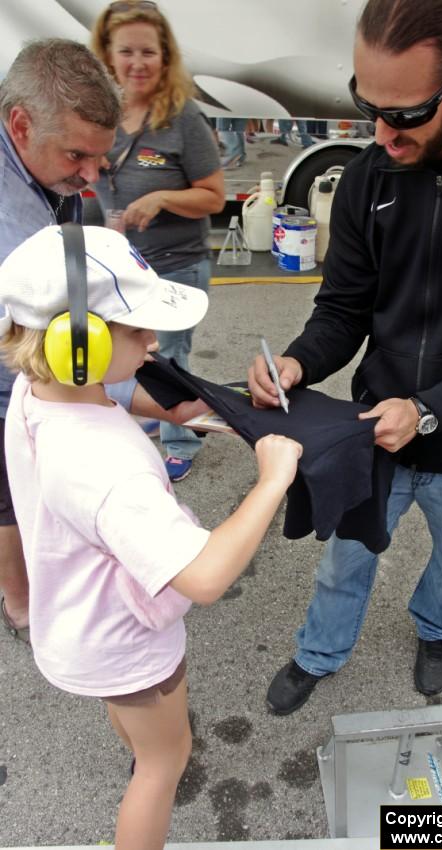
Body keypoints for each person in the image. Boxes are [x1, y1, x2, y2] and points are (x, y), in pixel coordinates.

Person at [248, 0, 442, 715]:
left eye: (406, 114)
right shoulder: (369, 177)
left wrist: (428, 410)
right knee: (343, 560)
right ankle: (319, 653)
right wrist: (297, 362)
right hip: (373, 428)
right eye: (368, 106)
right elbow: (343, 310)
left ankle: (435, 630)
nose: (382, 135)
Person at [0, 223, 302, 850]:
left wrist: (170, 407)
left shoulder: (40, 394)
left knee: (140, 730)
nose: (154, 340)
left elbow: (101, 399)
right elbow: (205, 576)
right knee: (166, 761)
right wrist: (271, 478)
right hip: (123, 638)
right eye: (136, 329)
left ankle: (139, 744)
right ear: (75, 343)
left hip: (82, 625)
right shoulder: (103, 467)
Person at [0, 38, 202, 645]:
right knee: (11, 495)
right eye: (77, 156)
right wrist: (164, 397)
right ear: (20, 123)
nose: (90, 176)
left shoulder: (36, 169)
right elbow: (52, 363)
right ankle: (21, 605)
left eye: (99, 158)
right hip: (10, 385)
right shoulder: (15, 232)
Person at [92, 0, 225, 483]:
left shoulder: (182, 118)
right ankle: (146, 415)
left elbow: (214, 197)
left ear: (165, 57)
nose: (138, 63)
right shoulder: (102, 115)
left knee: (170, 358)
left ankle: (182, 439)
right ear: (107, 56)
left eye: (149, 51)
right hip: (123, 266)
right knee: (122, 354)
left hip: (175, 265)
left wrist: (163, 197)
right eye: (126, 51)